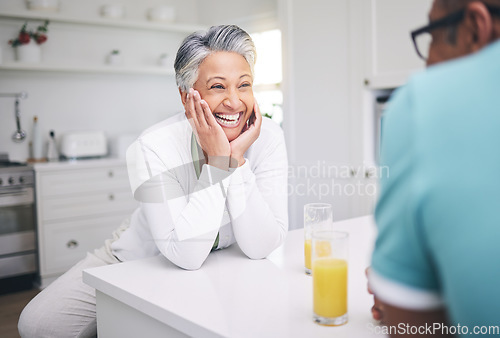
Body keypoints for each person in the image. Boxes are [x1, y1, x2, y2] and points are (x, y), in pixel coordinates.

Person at [18, 24, 288, 337]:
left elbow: (260, 246)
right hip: (141, 258)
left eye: (244, 85)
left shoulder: (268, 137)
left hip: (222, 263)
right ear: (187, 97)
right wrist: (218, 163)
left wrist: (236, 161)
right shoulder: (155, 144)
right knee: (38, 324)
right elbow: (184, 255)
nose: (234, 101)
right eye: (217, 87)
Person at [368, 0, 500, 337]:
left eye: (431, 36)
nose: (427, 62)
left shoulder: (422, 105)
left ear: (475, 27)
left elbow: (412, 326)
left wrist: (404, 284)